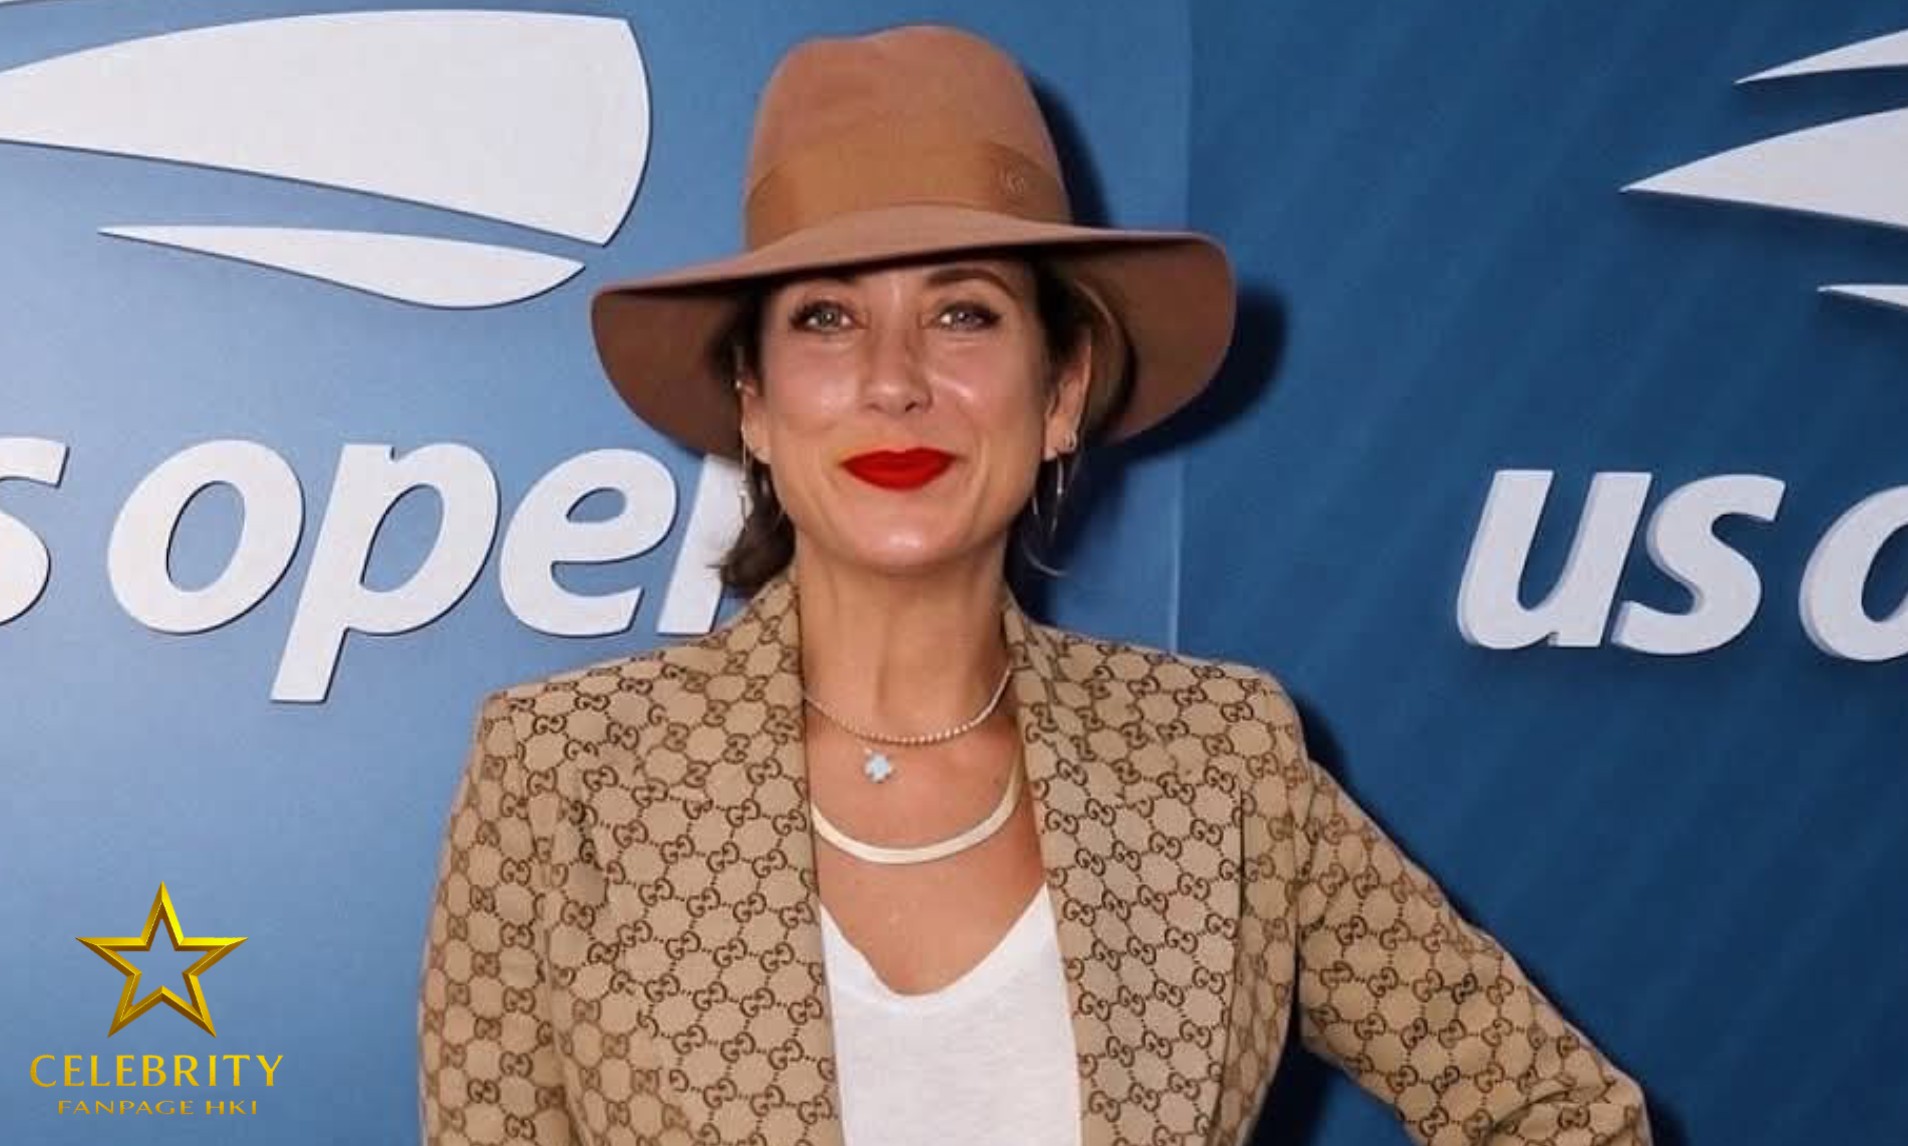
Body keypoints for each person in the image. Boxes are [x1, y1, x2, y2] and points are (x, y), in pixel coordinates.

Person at [417, 22, 1652, 1146]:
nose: (894, 381)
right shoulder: (562, 773)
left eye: (963, 314)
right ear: (754, 403)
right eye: (827, 319)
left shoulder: (1220, 761)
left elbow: (1558, 1116)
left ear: (1061, 393)